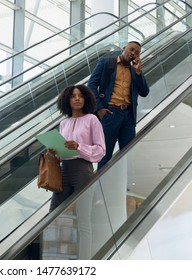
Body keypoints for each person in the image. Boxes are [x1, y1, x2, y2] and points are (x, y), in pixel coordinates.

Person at [47, 84, 106, 259]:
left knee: (83, 222)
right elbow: (61, 152)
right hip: (64, 171)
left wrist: (79, 146)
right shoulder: (63, 123)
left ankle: (85, 263)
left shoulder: (92, 120)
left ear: (86, 98)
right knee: (52, 216)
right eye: (73, 96)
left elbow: (100, 150)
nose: (77, 98)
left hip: (83, 171)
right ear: (68, 100)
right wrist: (54, 152)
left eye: (80, 95)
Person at [87, 41, 150, 170]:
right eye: (131, 49)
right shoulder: (106, 62)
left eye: (137, 52)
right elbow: (91, 85)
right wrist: (100, 109)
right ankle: (100, 188)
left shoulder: (135, 70)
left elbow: (144, 92)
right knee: (105, 155)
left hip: (128, 116)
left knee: (128, 155)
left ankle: (123, 187)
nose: (133, 53)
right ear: (124, 48)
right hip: (110, 114)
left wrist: (138, 73)